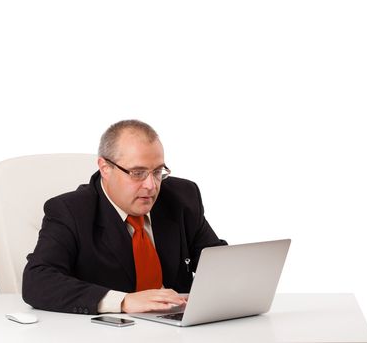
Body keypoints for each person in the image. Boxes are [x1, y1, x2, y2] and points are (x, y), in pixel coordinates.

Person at [22, 120, 227, 314]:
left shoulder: (182, 197)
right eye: (138, 173)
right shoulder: (71, 211)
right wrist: (123, 301)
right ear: (105, 169)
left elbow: (218, 262)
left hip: (180, 327)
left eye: (157, 171)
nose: (151, 185)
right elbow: (37, 280)